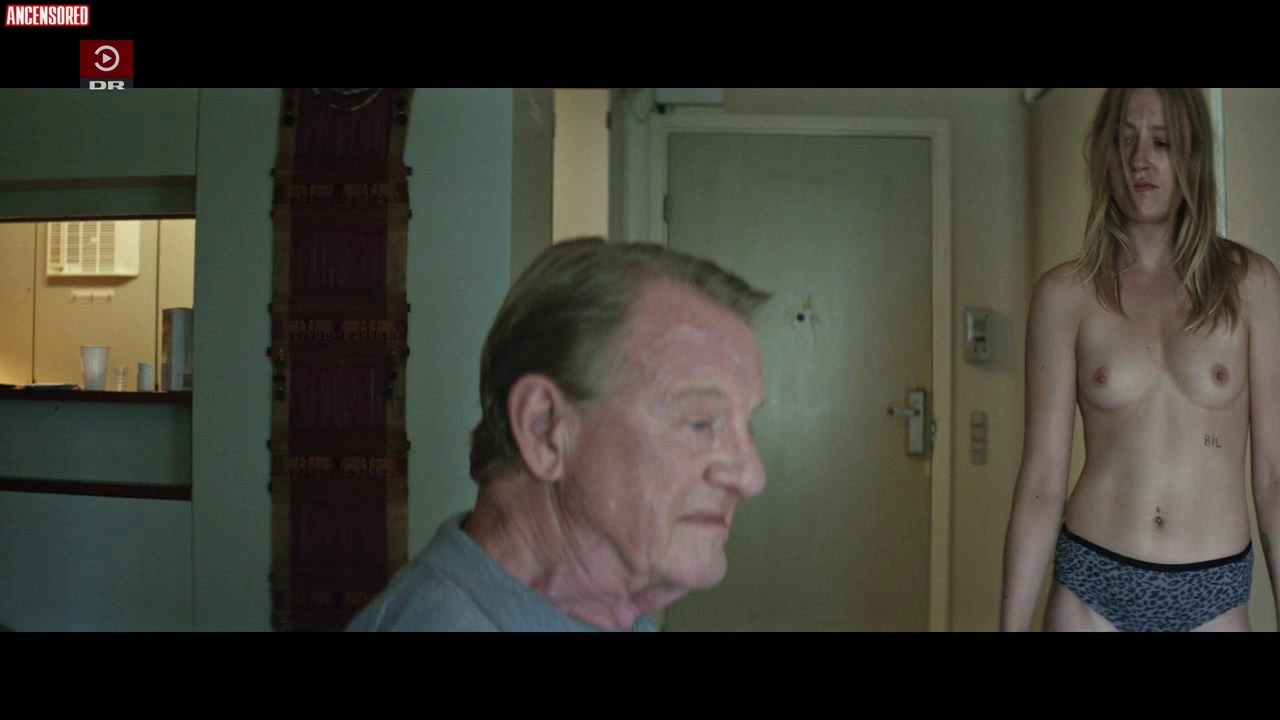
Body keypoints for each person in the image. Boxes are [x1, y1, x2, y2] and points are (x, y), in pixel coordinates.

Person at [347, 237, 771, 631]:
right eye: (699, 423)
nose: (752, 477)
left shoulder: (599, 612)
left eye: (747, 425)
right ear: (544, 429)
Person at [1001, 88, 1280, 632]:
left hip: (1214, 594)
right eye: (1124, 140)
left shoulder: (1253, 285)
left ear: (1193, 153)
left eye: (1162, 142)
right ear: (1104, 154)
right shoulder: (1065, 295)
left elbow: (1273, 477)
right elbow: (1041, 481)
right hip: (1092, 584)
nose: (1140, 159)